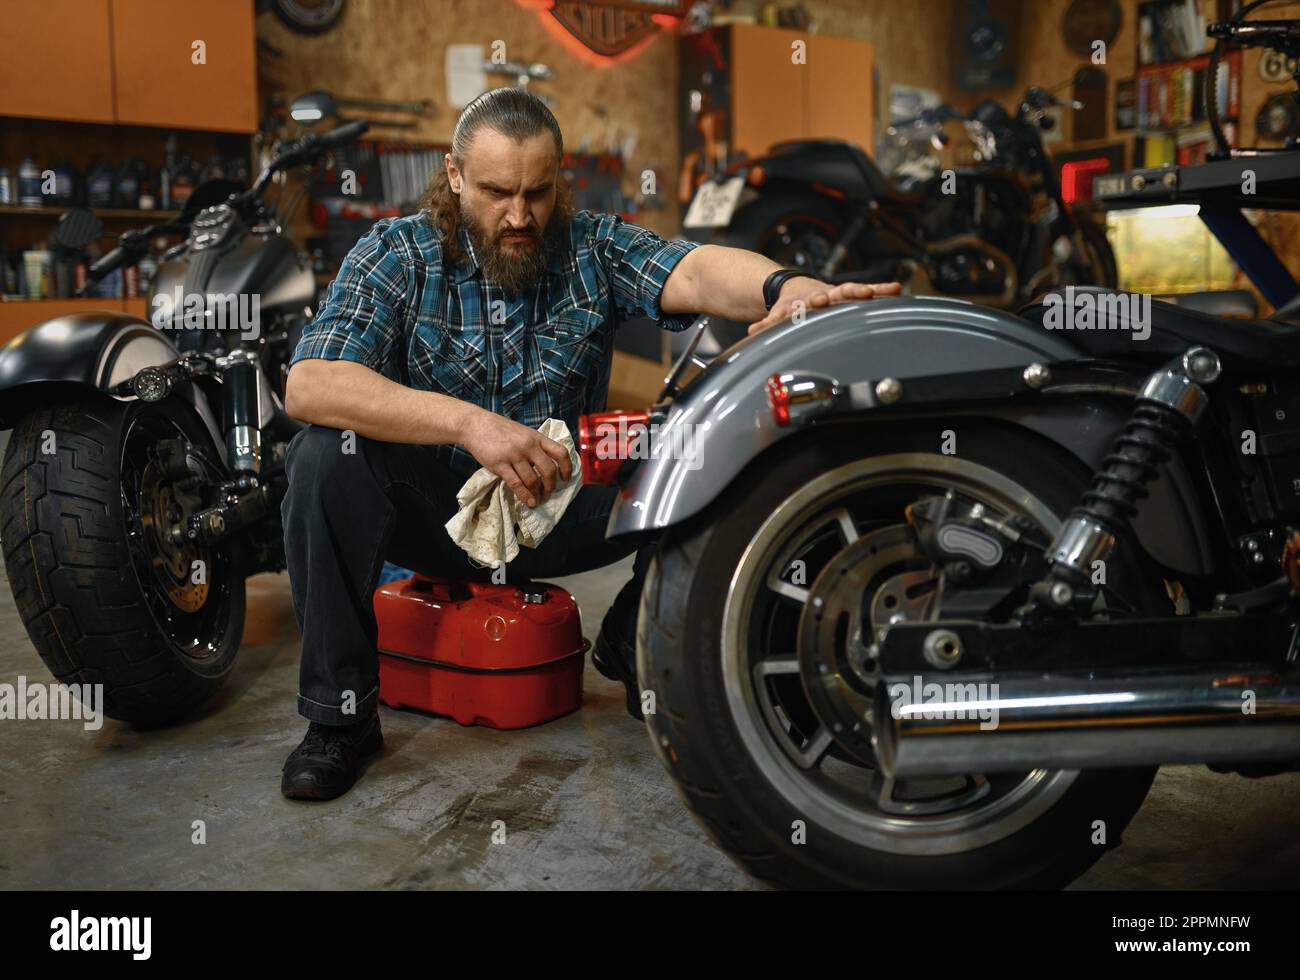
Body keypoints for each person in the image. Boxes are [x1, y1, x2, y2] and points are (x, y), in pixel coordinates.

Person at [279, 87, 900, 800]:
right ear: (453, 175)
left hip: (560, 511)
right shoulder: (395, 252)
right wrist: (468, 423)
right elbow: (311, 384)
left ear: (559, 179)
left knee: (714, 443)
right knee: (326, 456)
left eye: (538, 192)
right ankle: (341, 719)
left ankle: (633, 636)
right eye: (496, 192)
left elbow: (692, 270)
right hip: (435, 515)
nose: (519, 215)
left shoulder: (594, 247)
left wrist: (788, 288)